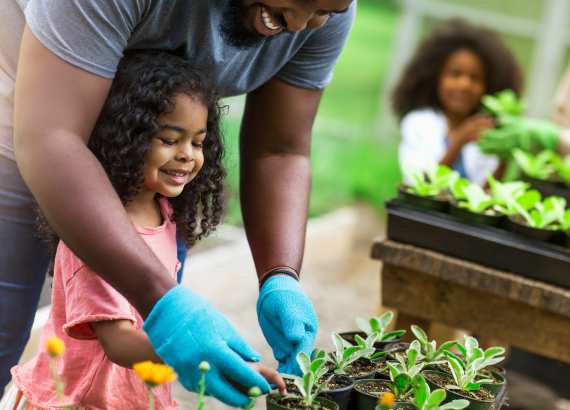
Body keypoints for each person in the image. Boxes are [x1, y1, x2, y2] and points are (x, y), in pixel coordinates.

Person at [0, 0, 355, 405]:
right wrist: (170, 317)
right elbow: (51, 137)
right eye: (298, 4)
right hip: (32, 112)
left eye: (323, 12)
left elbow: (280, 149)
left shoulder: (159, 212)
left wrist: (280, 277)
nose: (299, 25)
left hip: (141, 155)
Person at [0, 51, 286, 409]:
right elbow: (118, 342)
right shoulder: (94, 234)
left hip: (133, 395)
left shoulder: (164, 213)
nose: (187, 154)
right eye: (170, 139)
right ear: (127, 139)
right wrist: (200, 353)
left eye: (197, 142)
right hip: (76, 399)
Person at [392, 18, 523, 186]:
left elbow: (484, 197)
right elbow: (421, 186)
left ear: (488, 87)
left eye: (475, 78)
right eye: (455, 74)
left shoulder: (485, 132)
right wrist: (459, 142)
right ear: (436, 78)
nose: (464, 85)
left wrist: (504, 157)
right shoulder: (419, 123)